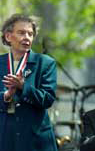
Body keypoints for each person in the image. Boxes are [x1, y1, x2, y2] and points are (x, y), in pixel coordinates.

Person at [0, 14, 58, 150]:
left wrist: (23, 87)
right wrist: (6, 96)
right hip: (4, 135)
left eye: (30, 34)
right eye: (21, 33)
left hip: (35, 137)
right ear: (8, 36)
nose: (27, 37)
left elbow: (48, 99)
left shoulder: (45, 63)